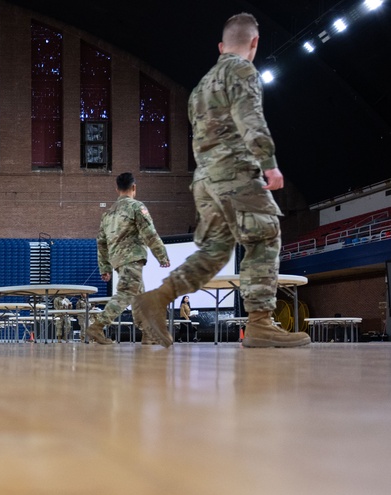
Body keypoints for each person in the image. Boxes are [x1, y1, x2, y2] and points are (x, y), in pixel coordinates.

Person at [133, 13, 309, 348]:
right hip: (236, 172)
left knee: (216, 250)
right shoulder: (241, 70)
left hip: (205, 179)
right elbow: (250, 118)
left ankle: (157, 298)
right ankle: (259, 323)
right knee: (265, 236)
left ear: (220, 46)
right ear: (254, 44)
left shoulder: (200, 88)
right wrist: (269, 164)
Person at [85, 172, 170, 345]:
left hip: (118, 260)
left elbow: (101, 243)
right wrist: (162, 255)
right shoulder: (136, 207)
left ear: (117, 189)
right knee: (126, 293)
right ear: (134, 187)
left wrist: (105, 267)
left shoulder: (107, 214)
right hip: (132, 257)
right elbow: (149, 233)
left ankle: (147, 334)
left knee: (139, 296)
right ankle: (97, 326)